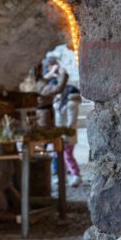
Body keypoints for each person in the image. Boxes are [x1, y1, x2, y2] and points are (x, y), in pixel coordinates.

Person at [39, 56, 83, 187]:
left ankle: (76, 175)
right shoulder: (57, 101)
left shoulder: (69, 102)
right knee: (57, 155)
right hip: (58, 132)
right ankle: (61, 176)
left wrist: (65, 133)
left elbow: (71, 119)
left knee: (67, 155)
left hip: (67, 133)